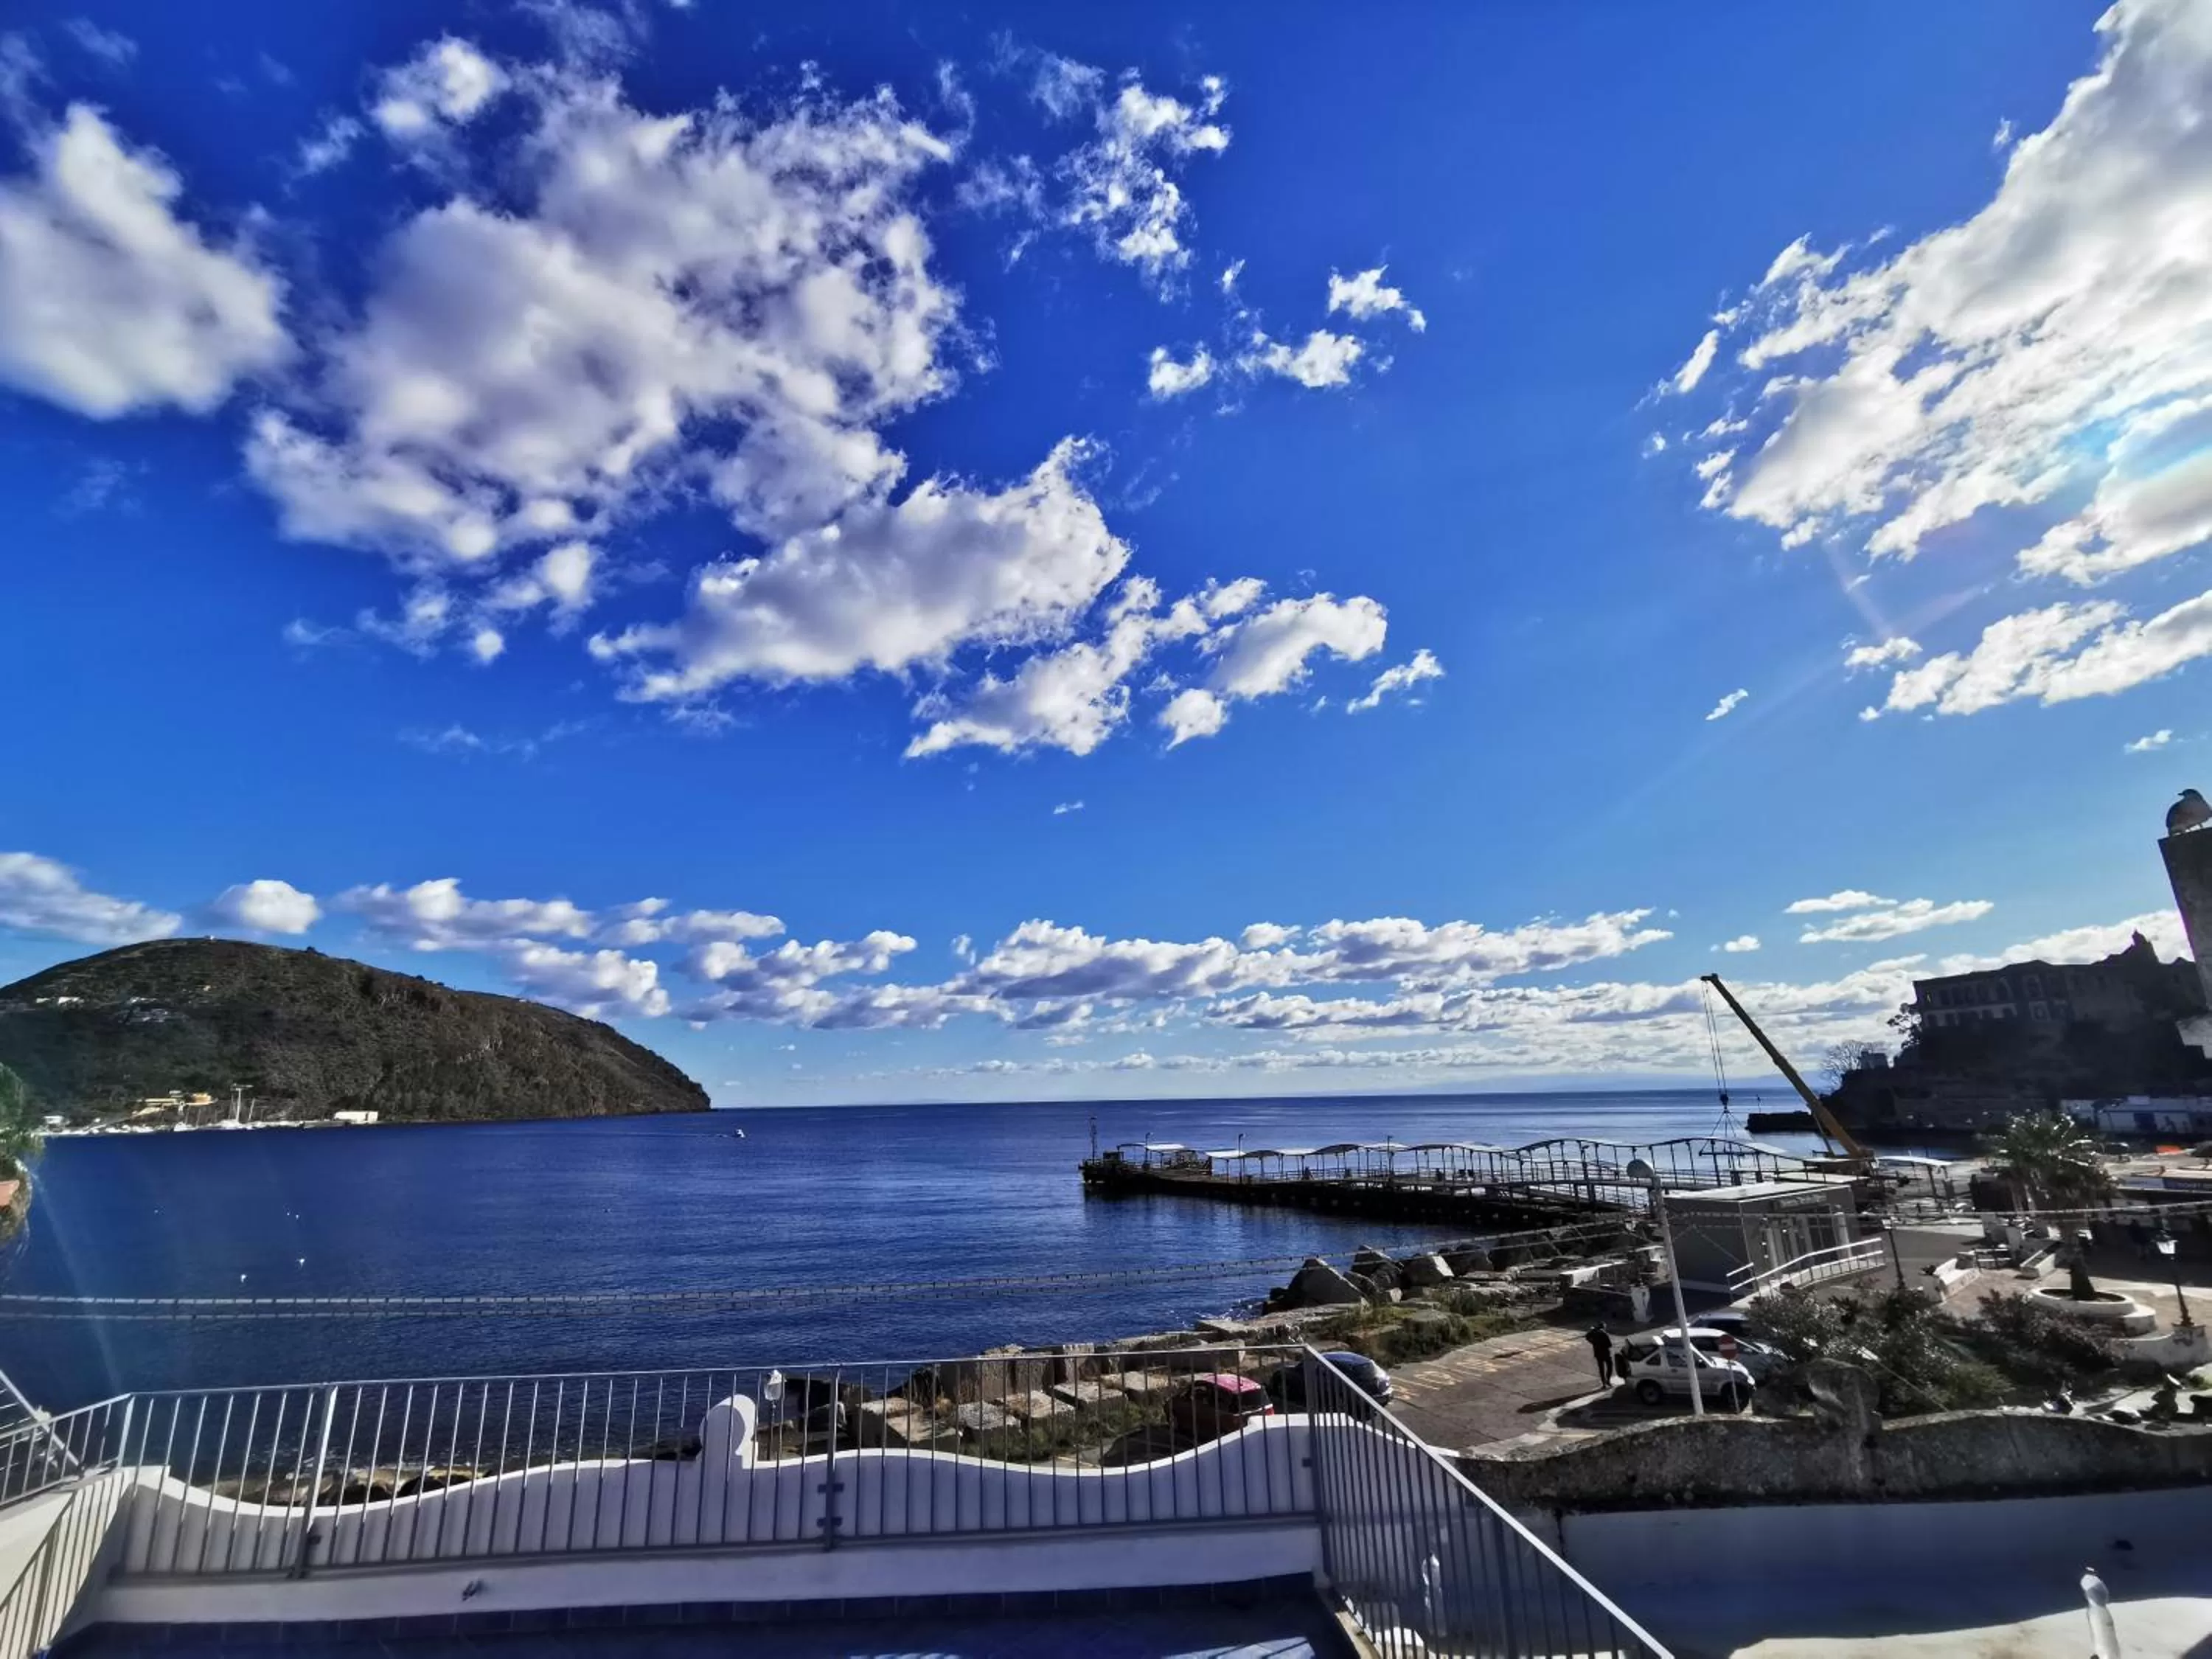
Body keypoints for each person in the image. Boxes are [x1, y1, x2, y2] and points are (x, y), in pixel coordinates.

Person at [1583, 1324, 1615, 1389]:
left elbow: (1587, 1336)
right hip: (1606, 1353)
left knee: (1601, 1369)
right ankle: (1608, 1380)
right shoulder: (1604, 1333)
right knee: (1610, 1366)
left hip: (1598, 1353)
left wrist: (1593, 1342)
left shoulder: (1593, 1333)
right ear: (1603, 1327)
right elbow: (1610, 1345)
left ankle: (1603, 1383)